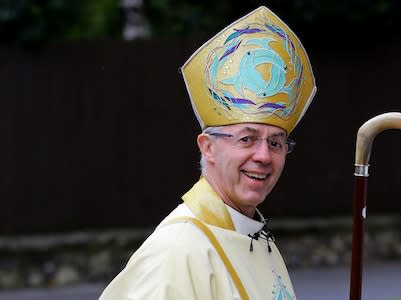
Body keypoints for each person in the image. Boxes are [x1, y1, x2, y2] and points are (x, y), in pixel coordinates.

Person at [99, 6, 316, 300]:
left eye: (276, 143)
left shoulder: (256, 238)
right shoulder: (176, 251)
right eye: (247, 139)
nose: (264, 156)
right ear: (208, 147)